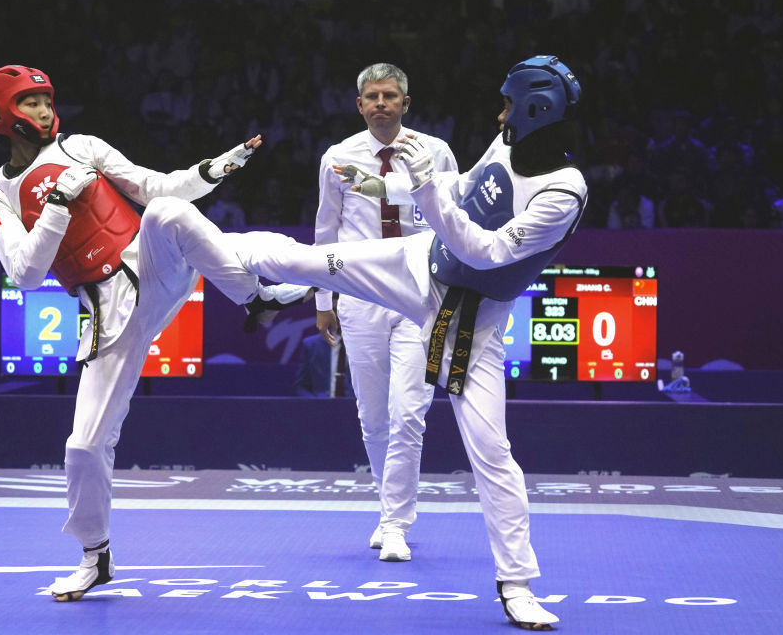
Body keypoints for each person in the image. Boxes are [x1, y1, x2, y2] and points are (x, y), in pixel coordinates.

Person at [232, 55, 586, 630]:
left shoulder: (562, 193)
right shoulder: (504, 144)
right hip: (417, 262)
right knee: (306, 262)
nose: (499, 115)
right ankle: (200, 243)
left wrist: (422, 186)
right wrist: (388, 185)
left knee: (491, 452)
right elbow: (462, 190)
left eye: (508, 105)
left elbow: (484, 252)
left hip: (471, 319)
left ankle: (517, 584)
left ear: (535, 110)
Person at [0, 65, 308, 602]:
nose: (43, 111)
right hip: (108, 316)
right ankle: (95, 557)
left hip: (155, 266)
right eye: (30, 103)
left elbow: (155, 187)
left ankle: (257, 299)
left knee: (170, 211)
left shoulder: (82, 146)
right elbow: (26, 273)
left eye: (46, 100)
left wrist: (216, 167)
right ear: (1, 115)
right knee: (84, 446)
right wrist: (57, 206)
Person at [315, 63, 458, 562]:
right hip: (360, 297)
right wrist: (324, 300)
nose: (381, 103)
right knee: (373, 417)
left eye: (390, 96)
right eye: (372, 96)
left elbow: (454, 219)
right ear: (360, 106)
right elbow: (326, 231)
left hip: (421, 295)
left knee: (409, 412)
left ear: (405, 103)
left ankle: (397, 524)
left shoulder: (435, 152)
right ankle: (387, 510)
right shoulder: (337, 158)